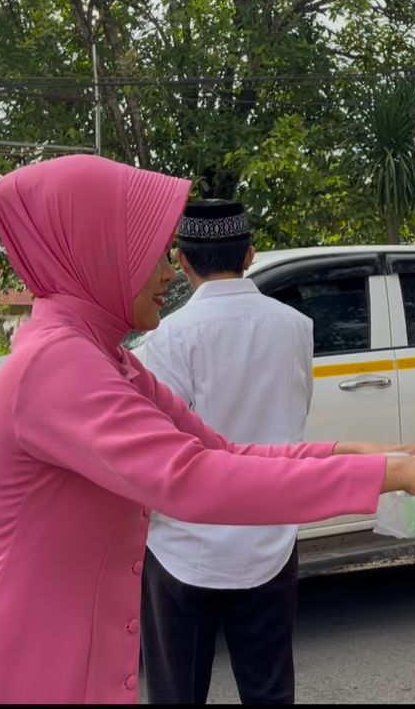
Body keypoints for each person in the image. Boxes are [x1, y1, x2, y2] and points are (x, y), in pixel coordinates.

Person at [0, 154, 415, 704]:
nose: (169, 273)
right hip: (1, 671)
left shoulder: (108, 360)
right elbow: (191, 479)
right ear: (97, 250)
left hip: (58, 666)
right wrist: (399, 473)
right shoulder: (57, 364)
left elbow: (223, 449)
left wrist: (380, 454)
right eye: (151, 252)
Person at [134, 198, 311, 704]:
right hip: (269, 538)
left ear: (182, 260)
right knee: (270, 693)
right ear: (249, 254)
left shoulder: (165, 339)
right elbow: (295, 417)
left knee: (177, 694)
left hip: (182, 548)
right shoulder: (296, 327)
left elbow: (163, 448)